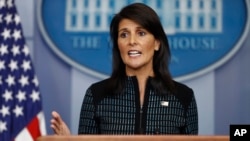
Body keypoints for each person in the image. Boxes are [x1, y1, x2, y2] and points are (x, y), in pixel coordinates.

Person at [50, 3, 198, 135]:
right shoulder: (96, 95)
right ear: (118, 44)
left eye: (141, 33)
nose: (132, 41)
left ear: (156, 44)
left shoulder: (183, 97)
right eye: (124, 34)